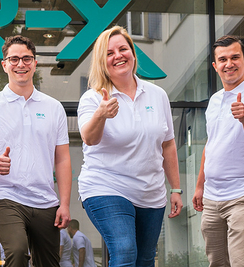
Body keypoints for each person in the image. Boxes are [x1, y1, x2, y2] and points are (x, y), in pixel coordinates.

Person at [76, 25, 183, 267]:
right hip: (106, 185)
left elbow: (168, 144)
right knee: (124, 251)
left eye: (123, 49)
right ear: (102, 62)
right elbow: (89, 138)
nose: (118, 56)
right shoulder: (93, 98)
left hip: (150, 192)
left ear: (133, 54)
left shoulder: (157, 95)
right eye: (109, 53)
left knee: (144, 260)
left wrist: (176, 188)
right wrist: (101, 115)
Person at [0, 35, 72, 267]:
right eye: (14, 59)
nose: (21, 64)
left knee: (49, 263)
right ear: (4, 64)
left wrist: (64, 204)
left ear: (35, 63)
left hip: (44, 200)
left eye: (27, 58)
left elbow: (63, 159)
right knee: (17, 252)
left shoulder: (53, 108)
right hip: (4, 196)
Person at [192, 36, 244, 267]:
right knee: (217, 263)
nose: (229, 64)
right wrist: (199, 185)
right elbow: (211, 144)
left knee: (241, 263)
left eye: (235, 57)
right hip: (212, 196)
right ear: (215, 66)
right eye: (223, 59)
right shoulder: (215, 100)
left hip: (243, 195)